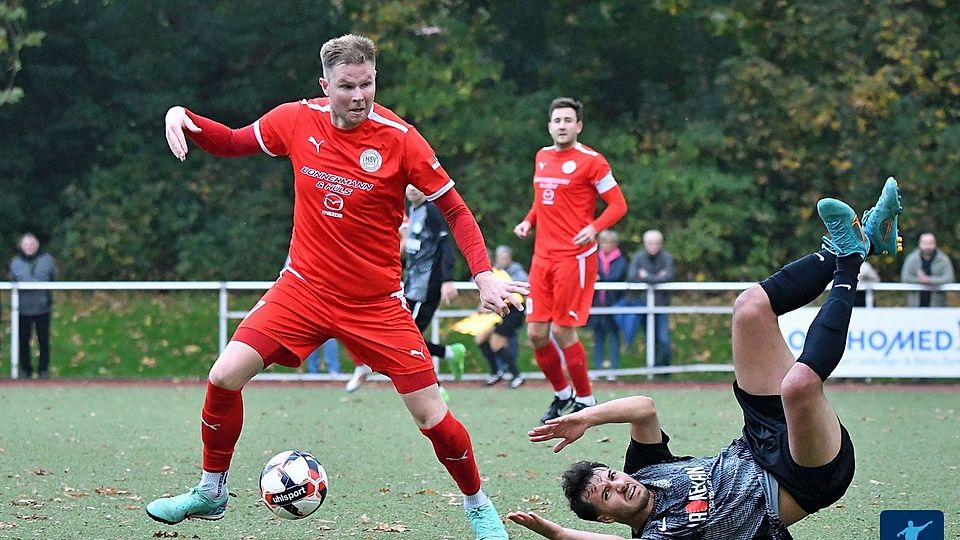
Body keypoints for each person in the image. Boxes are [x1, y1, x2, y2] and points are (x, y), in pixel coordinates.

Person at [147, 34, 525, 540]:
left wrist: (483, 275)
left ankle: (478, 506)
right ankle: (211, 491)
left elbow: (454, 208)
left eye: (367, 84)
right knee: (223, 376)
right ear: (325, 86)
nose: (359, 96)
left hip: (376, 304)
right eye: (347, 86)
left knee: (432, 416)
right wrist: (183, 115)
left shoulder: (401, 138)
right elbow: (234, 141)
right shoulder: (295, 119)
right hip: (302, 289)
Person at [506, 178, 903, 539]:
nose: (620, 484)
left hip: (758, 437)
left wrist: (585, 417)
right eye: (607, 495)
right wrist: (558, 534)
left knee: (748, 307)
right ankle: (851, 261)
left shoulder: (645, 471)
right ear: (608, 517)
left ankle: (853, 245)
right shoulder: (657, 535)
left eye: (611, 476)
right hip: (802, 479)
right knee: (798, 385)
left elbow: (643, 408)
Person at [514, 97, 628, 424]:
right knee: (536, 334)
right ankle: (562, 394)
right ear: (550, 125)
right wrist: (529, 221)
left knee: (564, 331)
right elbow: (543, 199)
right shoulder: (542, 157)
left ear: (579, 126)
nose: (562, 125)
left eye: (568, 120)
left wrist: (594, 228)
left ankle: (586, 400)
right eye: (557, 120)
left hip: (574, 259)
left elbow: (618, 205)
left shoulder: (593, 161)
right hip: (542, 258)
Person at [478, 246, 528, 388]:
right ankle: (496, 372)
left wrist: (497, 302)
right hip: (498, 313)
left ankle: (517, 375)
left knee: (496, 343)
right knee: (480, 338)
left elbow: (517, 294)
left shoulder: (511, 272)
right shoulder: (493, 272)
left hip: (512, 313)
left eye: (504, 257)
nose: (501, 260)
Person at [9, 232, 57, 379]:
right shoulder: (15, 262)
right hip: (22, 309)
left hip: (42, 307)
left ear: (37, 245)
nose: (29, 247)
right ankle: (26, 371)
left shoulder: (47, 260)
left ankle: (43, 370)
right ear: (21, 246)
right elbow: (12, 281)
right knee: (23, 340)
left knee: (43, 340)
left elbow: (53, 278)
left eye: (32, 244)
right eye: (26, 244)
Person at [625, 230, 674, 369]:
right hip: (643, 304)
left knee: (663, 339)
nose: (654, 246)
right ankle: (653, 370)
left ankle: (665, 370)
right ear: (645, 243)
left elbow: (668, 276)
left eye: (657, 243)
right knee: (649, 339)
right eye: (651, 243)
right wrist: (657, 278)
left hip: (661, 305)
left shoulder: (666, 257)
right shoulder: (638, 257)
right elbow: (632, 276)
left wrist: (646, 277)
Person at [588, 230, 627, 381]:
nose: (607, 245)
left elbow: (615, 277)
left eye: (610, 242)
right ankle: (598, 369)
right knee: (598, 337)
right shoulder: (595, 258)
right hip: (597, 304)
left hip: (614, 304)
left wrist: (600, 277)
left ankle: (613, 369)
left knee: (614, 336)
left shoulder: (621, 260)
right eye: (604, 242)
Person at [901, 232, 954, 307]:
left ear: (935, 243)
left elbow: (949, 278)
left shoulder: (944, 260)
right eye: (925, 243)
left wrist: (929, 280)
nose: (927, 246)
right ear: (919, 243)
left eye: (930, 243)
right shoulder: (911, 259)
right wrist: (919, 280)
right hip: (915, 306)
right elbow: (905, 278)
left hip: (937, 306)